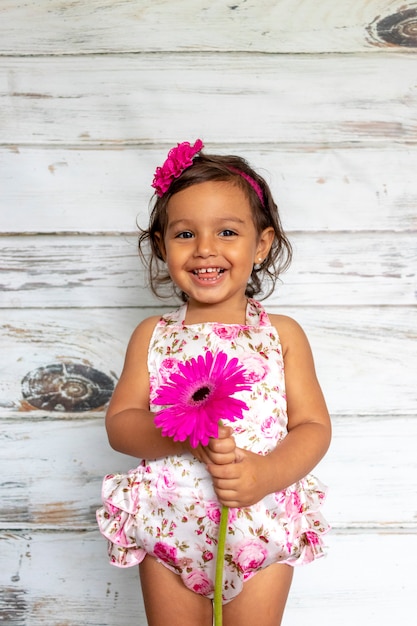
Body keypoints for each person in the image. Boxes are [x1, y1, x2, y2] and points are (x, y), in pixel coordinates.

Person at [97, 139, 331, 626]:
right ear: (162, 245)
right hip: (169, 526)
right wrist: (177, 431)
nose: (206, 249)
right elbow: (121, 424)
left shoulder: (279, 335)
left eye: (227, 231)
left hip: (258, 523)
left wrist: (264, 476)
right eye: (185, 234)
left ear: (261, 244)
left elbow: (313, 427)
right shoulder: (154, 336)